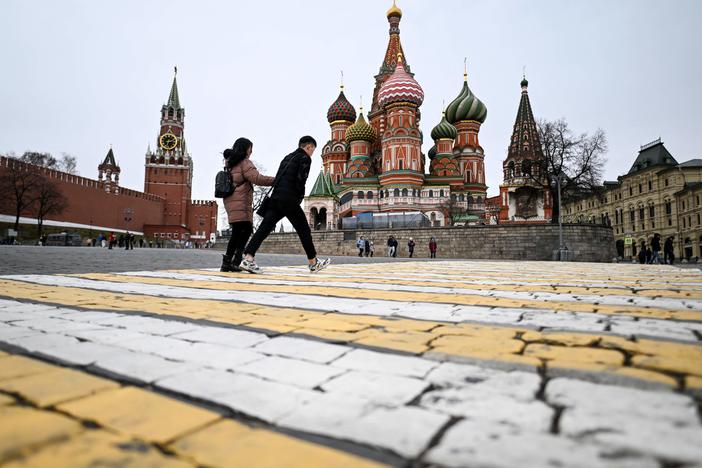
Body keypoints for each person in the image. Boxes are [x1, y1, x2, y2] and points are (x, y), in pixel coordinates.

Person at [240, 136, 330, 274]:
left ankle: (248, 258)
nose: (312, 153)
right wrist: (299, 198)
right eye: (313, 149)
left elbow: (279, 177)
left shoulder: (287, 157)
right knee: (304, 230)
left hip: (276, 198)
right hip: (290, 199)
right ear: (309, 147)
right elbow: (301, 180)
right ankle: (313, 263)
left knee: (264, 228)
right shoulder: (305, 158)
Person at [221, 137, 275, 272]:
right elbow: (257, 178)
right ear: (245, 148)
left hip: (230, 201)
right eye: (250, 148)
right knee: (244, 231)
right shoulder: (244, 163)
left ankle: (228, 262)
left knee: (238, 232)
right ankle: (234, 261)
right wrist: (277, 180)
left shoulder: (230, 163)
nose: (251, 151)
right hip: (240, 202)